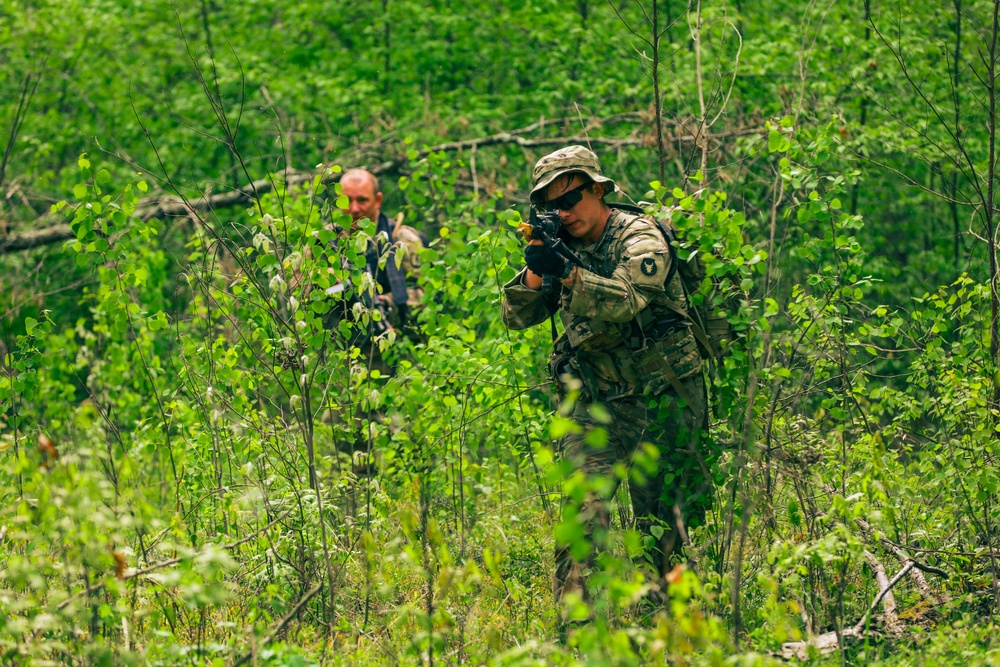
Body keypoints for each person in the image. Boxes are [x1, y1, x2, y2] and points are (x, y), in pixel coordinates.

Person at [501, 146, 712, 608]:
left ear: (598, 189)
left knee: (660, 528)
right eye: (549, 206)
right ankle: (576, 637)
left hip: (662, 398)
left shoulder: (639, 237)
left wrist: (568, 273)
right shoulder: (563, 242)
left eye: (570, 199)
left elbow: (626, 299)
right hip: (596, 400)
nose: (561, 213)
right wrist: (540, 269)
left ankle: (668, 635)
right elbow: (516, 317)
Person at [338, 168, 427, 333]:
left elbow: (427, 295)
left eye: (362, 200)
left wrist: (386, 302)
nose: (355, 208)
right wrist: (319, 282)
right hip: (340, 347)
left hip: (397, 343)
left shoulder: (402, 240)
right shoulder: (325, 241)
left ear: (377, 200)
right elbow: (295, 295)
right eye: (347, 200)